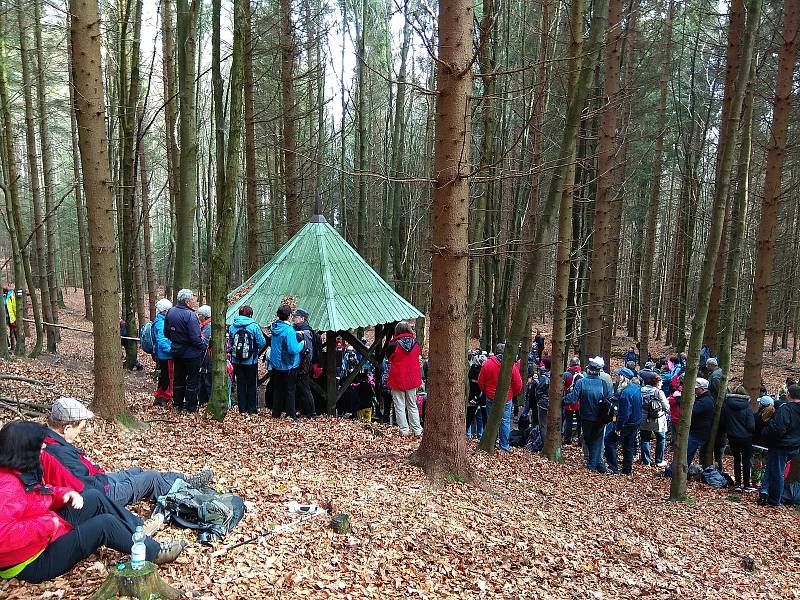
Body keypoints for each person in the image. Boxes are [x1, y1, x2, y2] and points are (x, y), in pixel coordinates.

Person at [0, 421, 185, 583]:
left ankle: (138, 529)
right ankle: (155, 551)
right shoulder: (7, 486)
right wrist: (47, 524)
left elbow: (36, 495)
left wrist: (63, 494)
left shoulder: (21, 469)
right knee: (104, 525)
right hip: (31, 561)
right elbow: (3, 536)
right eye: (39, 446)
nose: (44, 448)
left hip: (45, 534)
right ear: (24, 450)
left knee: (93, 497)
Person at [43, 398, 212, 507]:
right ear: (66, 428)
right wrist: (106, 480)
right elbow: (83, 486)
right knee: (150, 477)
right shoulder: (57, 452)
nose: (79, 433)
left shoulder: (51, 441)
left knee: (137, 471)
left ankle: (181, 481)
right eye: (79, 429)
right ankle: (183, 487)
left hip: (100, 480)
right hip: (102, 494)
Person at [565, 356, 612, 472]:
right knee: (596, 439)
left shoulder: (582, 382)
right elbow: (609, 398)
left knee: (589, 438)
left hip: (587, 416)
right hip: (600, 417)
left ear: (589, 370)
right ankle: (599, 464)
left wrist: (561, 400)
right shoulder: (603, 384)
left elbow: (573, 398)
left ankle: (592, 464)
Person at [164, 289, 207, 412]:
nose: (195, 302)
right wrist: (203, 345)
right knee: (192, 380)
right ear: (187, 301)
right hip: (191, 353)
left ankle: (177, 405)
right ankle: (190, 407)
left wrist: (177, 339)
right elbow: (195, 338)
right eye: (193, 300)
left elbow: (166, 333)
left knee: (179, 378)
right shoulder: (190, 315)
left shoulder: (170, 312)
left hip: (176, 351)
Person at [477, 343, 523, 452]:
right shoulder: (511, 365)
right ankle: (504, 447)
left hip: (491, 396)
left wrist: (487, 391)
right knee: (505, 422)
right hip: (506, 398)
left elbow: (481, 381)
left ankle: (491, 444)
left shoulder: (488, 364)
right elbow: (518, 384)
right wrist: (511, 394)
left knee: (491, 420)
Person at [760, 384, 800, 507]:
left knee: (777, 472)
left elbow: (778, 429)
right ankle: (765, 491)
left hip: (782, 446)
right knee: (772, 468)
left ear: (788, 394)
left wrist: (766, 431)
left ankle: (775, 499)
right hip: (793, 446)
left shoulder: (786, 409)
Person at [386, 322, 424, 436]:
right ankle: (417, 430)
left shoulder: (393, 345)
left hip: (397, 378)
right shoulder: (416, 344)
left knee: (399, 405)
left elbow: (389, 359)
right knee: (412, 405)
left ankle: (404, 430)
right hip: (412, 379)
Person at [228, 305, 267, 415]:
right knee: (251, 384)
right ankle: (252, 409)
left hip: (236, 360)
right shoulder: (254, 326)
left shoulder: (232, 326)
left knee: (240, 383)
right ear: (250, 314)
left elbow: (230, 343)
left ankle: (242, 409)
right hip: (251, 361)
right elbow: (262, 342)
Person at [605, 368, 642, 475]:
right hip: (635, 422)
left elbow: (624, 413)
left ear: (622, 378)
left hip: (627, 424)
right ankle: (627, 470)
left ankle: (613, 467)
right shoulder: (636, 388)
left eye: (618, 376)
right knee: (628, 446)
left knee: (609, 441)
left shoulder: (626, 393)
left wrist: (618, 427)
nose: (616, 378)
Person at [270, 305, 304, 419]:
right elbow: (293, 349)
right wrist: (302, 343)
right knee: (290, 391)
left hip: (276, 364)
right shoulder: (289, 330)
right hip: (288, 365)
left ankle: (276, 413)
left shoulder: (274, 327)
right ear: (289, 316)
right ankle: (291, 414)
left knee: (278, 390)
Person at [722, 385, 756, 492]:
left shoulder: (726, 405)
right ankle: (746, 484)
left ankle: (737, 484)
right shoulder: (747, 407)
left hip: (732, 437)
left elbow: (723, 421)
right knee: (746, 460)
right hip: (746, 438)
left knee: (736, 459)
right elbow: (751, 425)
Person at [639, 371, 670, 467]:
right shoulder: (658, 392)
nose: (662, 384)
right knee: (661, 438)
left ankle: (646, 461)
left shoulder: (641, 390)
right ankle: (659, 460)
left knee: (644, 439)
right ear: (657, 383)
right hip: (658, 419)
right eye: (661, 382)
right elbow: (666, 407)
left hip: (643, 418)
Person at [292, 308, 320, 418]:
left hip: (303, 364)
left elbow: (308, 351)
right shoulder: (299, 329)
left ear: (302, 318)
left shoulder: (306, 332)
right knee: (300, 387)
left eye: (296, 316)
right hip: (301, 363)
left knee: (304, 387)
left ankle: (311, 412)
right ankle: (303, 409)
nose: (294, 318)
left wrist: (304, 365)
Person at [685, 378, 714, 466]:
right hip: (697, 431)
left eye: (696, 388)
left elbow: (692, 411)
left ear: (702, 389)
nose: (694, 390)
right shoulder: (703, 399)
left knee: (686, 453)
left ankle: (673, 471)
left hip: (698, 433)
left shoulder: (705, 401)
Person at [152, 299, 174, 407]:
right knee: (168, 377)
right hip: (166, 355)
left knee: (163, 376)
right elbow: (162, 340)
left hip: (163, 354)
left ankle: (159, 396)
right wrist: (171, 350)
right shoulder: (161, 323)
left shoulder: (160, 321)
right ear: (164, 311)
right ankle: (165, 397)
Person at [562, 357, 583, 444]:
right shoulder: (582, 374)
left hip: (569, 401)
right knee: (580, 422)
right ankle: (580, 439)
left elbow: (563, 388)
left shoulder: (566, 374)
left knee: (568, 421)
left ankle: (568, 439)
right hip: (579, 401)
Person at [197, 305, 213, 407]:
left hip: (207, 358)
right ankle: (202, 401)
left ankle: (208, 401)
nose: (198, 316)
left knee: (207, 381)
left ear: (204, 316)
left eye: (199, 315)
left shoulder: (208, 327)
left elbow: (204, 343)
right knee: (202, 380)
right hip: (204, 358)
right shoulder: (204, 326)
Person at [535, 358, 552, 441]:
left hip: (544, 403)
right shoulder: (557, 376)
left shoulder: (544, 378)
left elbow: (538, 391)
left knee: (543, 424)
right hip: (553, 404)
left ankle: (544, 443)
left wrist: (539, 400)